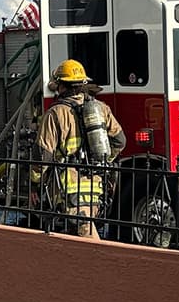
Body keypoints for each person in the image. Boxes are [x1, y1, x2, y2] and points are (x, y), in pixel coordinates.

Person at [32, 59, 126, 239]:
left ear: (61, 86)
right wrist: (102, 161)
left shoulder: (55, 113)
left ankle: (102, 267)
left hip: (68, 188)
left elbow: (42, 156)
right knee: (75, 235)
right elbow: (120, 141)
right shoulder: (100, 108)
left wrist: (35, 185)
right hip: (96, 186)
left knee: (87, 237)